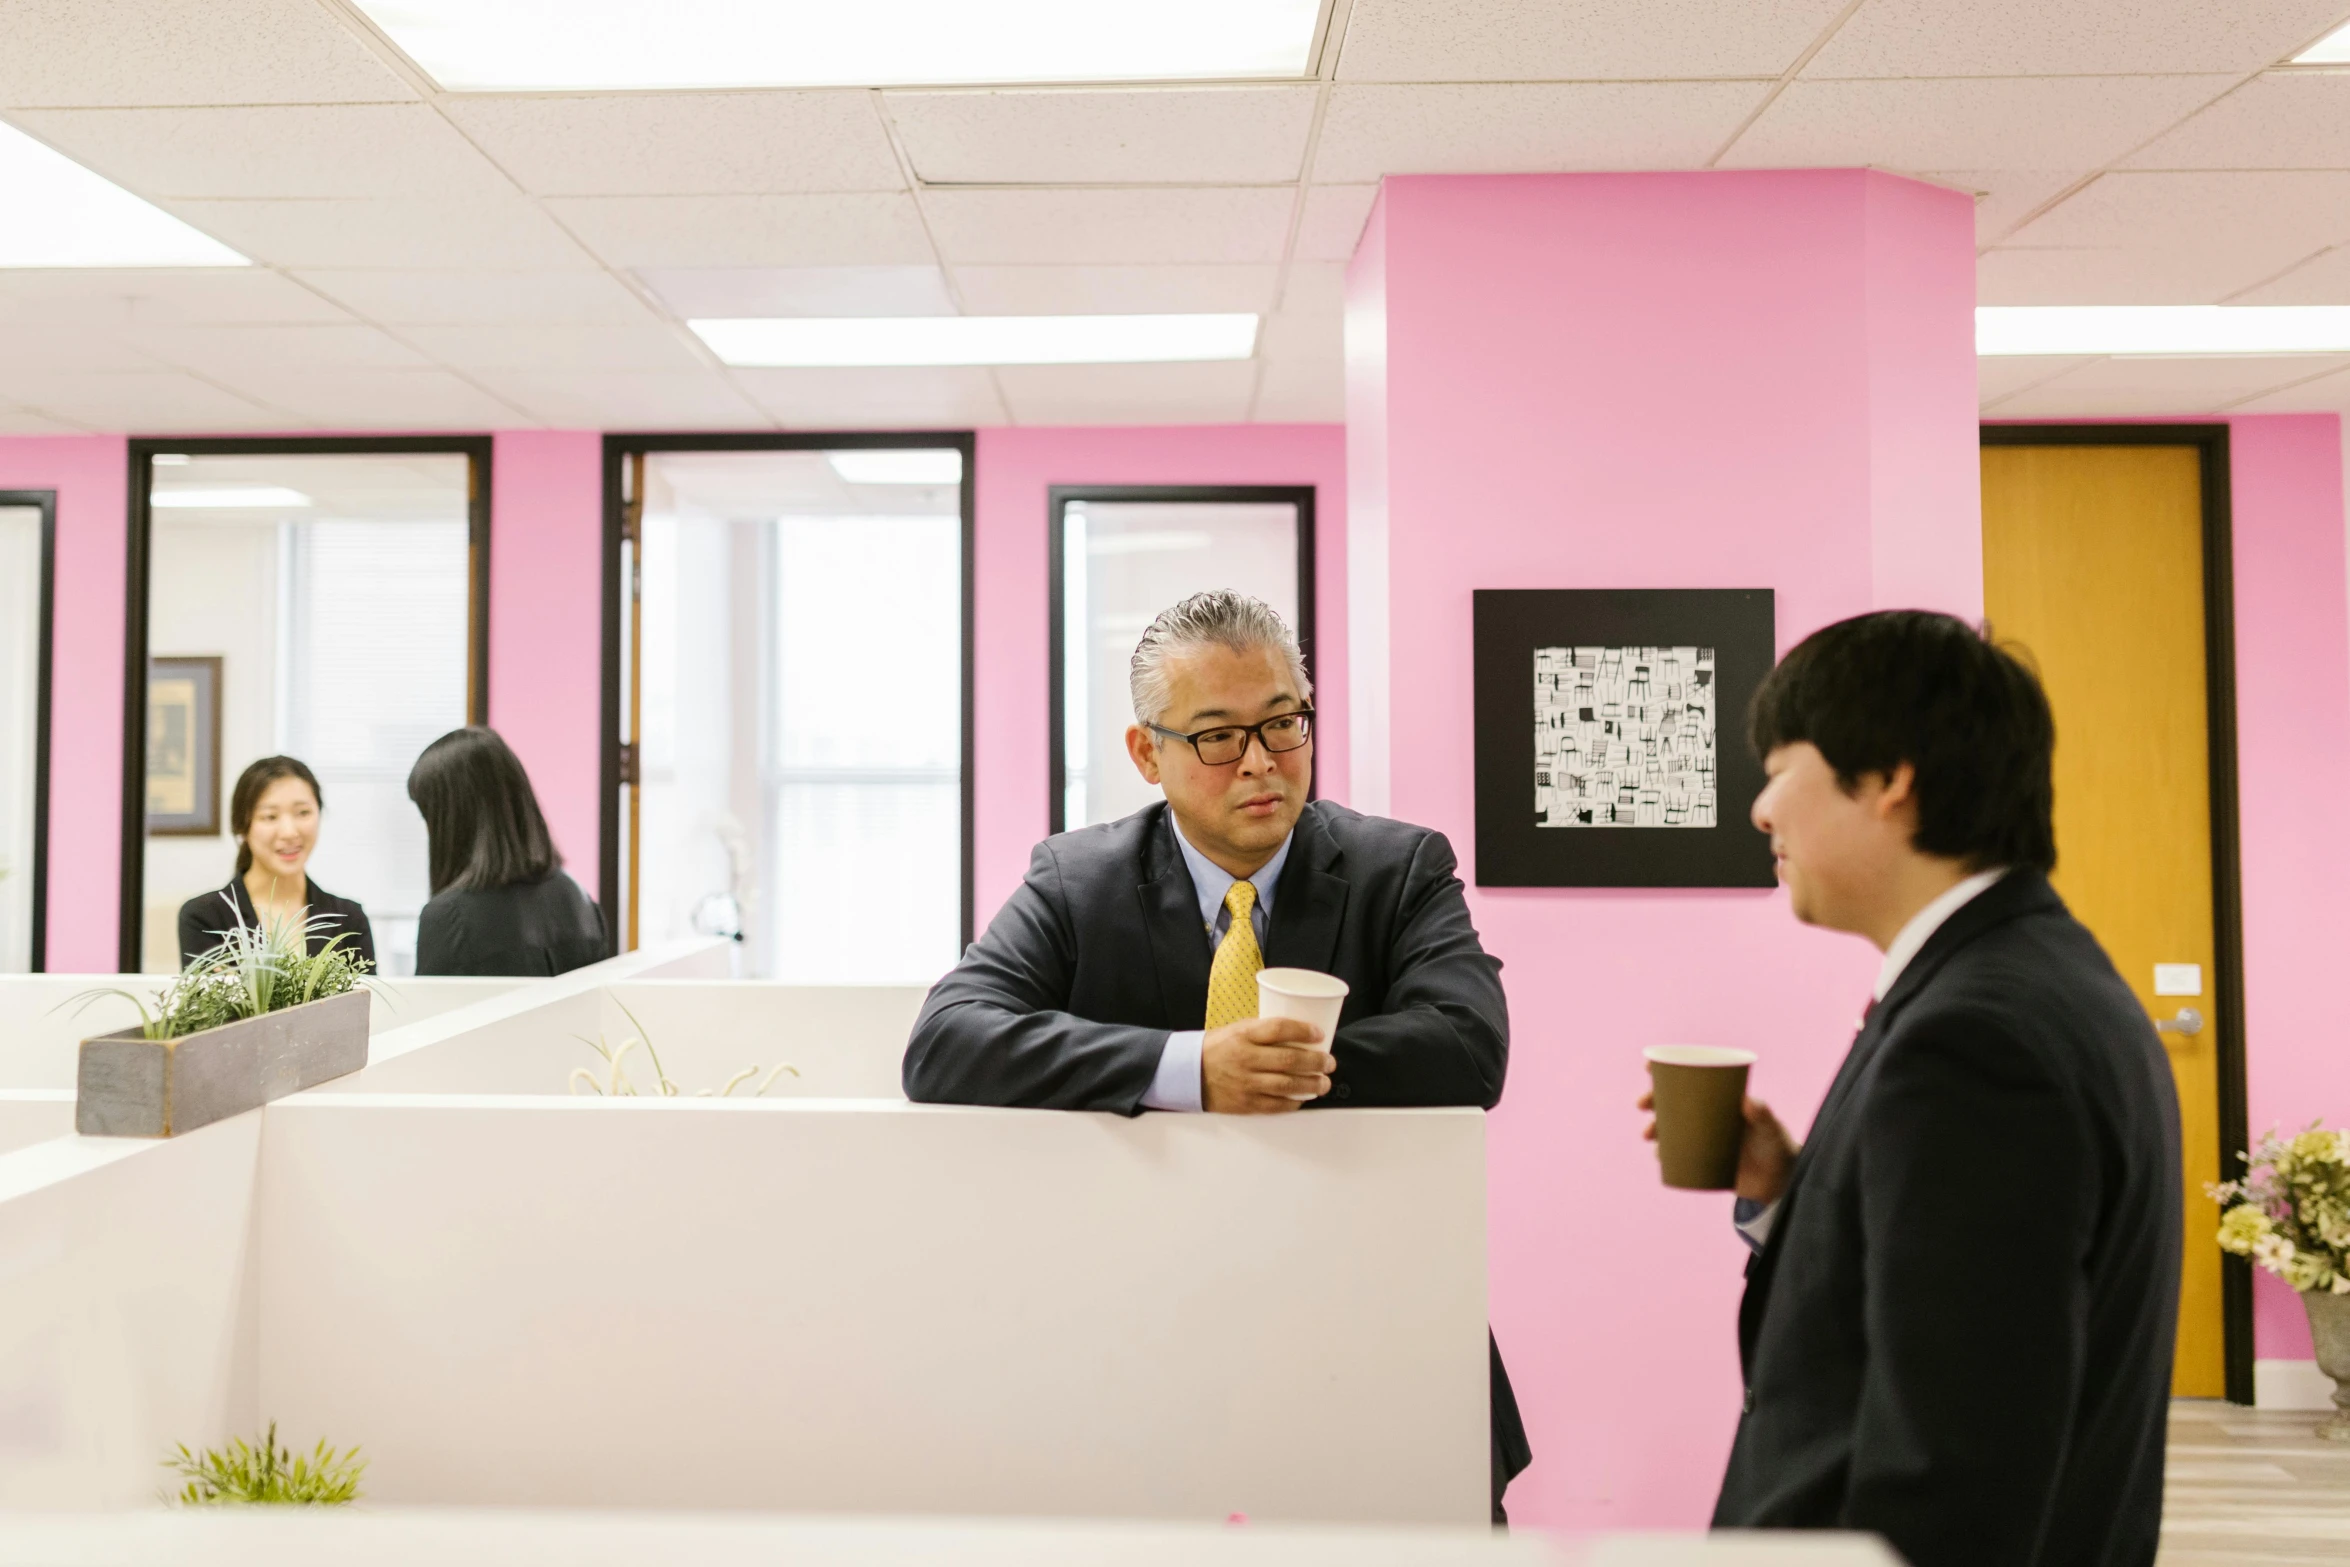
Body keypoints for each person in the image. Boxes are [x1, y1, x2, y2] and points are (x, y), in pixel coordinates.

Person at [903, 589, 1532, 1521]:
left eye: (1284, 722)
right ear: (1145, 752)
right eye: (1216, 736)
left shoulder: (1399, 870)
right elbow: (947, 1039)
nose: (1261, 762)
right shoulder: (1079, 882)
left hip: (1378, 1316)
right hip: (1147, 1327)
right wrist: (1189, 1069)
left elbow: (1470, 1043)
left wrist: (1289, 1069)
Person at [1651, 611, 2180, 1567]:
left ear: (1890, 777)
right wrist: (1792, 1188)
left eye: (1781, 766)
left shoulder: (1975, 1042)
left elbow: (1954, 1475)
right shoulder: (2033, 976)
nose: (1762, 808)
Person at [407, 726, 604, 977]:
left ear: (453, 822)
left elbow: (430, 1012)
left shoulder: (450, 917)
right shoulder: (576, 897)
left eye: (429, 817)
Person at [177, 755, 375, 968]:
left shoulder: (348, 920)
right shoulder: (204, 918)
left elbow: (365, 999)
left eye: (303, 813)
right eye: (270, 816)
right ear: (242, 826)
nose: (289, 832)